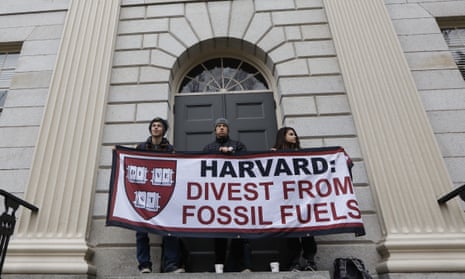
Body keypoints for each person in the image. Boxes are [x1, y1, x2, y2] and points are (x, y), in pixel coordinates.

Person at [135, 117, 185, 274]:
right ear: (150, 129)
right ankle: (144, 265)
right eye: (154, 126)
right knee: (141, 232)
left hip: (164, 196)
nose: (156, 128)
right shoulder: (141, 147)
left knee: (170, 230)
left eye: (159, 126)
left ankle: (171, 264)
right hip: (143, 194)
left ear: (164, 130)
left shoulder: (170, 150)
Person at [203, 118, 251, 272]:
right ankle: (220, 266)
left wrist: (231, 152)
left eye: (224, 126)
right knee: (219, 233)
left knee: (240, 232)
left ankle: (241, 265)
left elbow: (247, 162)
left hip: (237, 194)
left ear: (228, 130)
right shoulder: (208, 147)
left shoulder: (238, 145)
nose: (221, 128)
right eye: (219, 126)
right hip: (217, 195)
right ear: (215, 130)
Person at [271, 127, 318, 272]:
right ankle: (295, 262)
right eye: (291, 134)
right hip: (286, 200)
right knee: (291, 232)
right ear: (282, 137)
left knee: (307, 231)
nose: (295, 136)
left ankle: (310, 261)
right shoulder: (273, 154)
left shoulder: (303, 154)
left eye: (295, 134)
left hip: (303, 199)